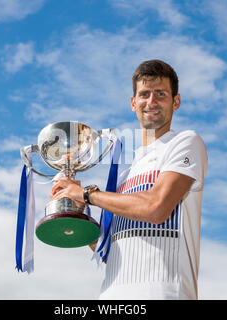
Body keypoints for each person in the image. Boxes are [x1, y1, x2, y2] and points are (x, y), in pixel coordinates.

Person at [50, 59, 208, 300]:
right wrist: (78, 209)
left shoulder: (185, 143)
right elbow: (105, 249)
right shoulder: (125, 176)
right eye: (144, 94)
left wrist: (87, 194)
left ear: (176, 101)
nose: (151, 102)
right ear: (133, 103)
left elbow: (156, 208)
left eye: (160, 94)